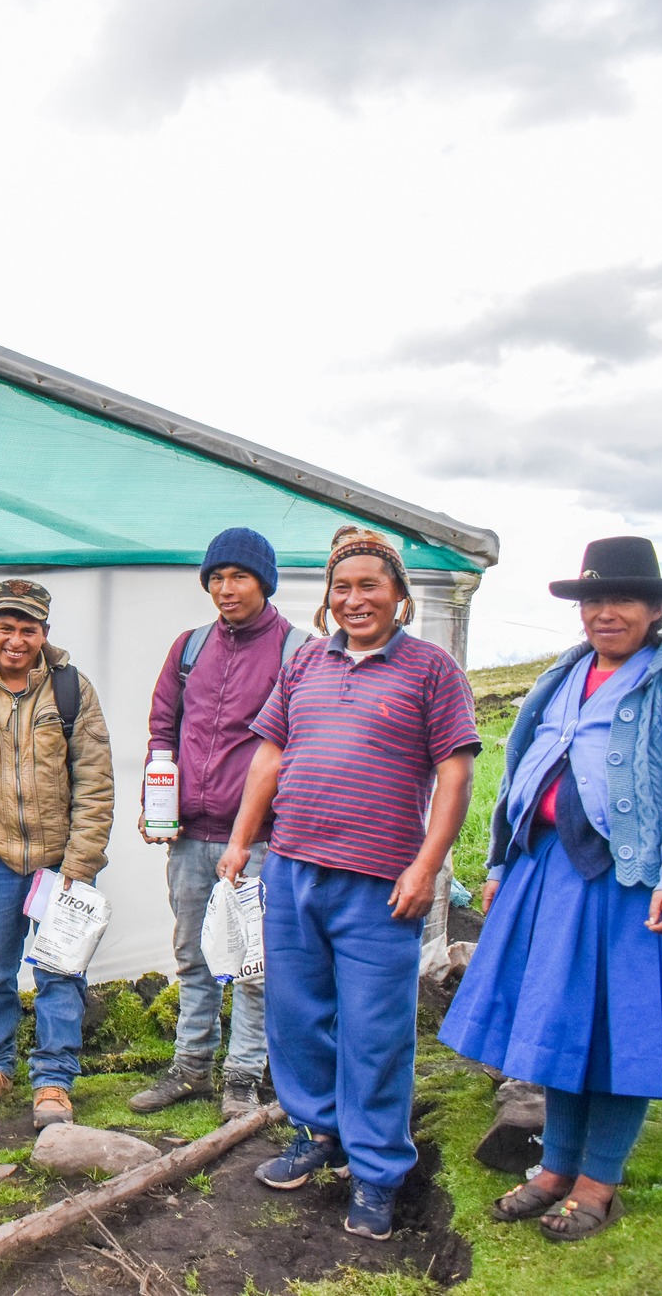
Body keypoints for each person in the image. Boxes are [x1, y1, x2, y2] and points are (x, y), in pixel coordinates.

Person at [442, 537, 662, 1242]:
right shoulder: (566, 676)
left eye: (622, 598)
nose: (605, 612)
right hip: (553, 874)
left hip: (638, 884)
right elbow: (523, 773)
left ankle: (598, 1183)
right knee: (562, 1027)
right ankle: (555, 1168)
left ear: (657, 608)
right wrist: (501, 864)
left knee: (625, 1036)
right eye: (593, 599)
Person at [218, 526, 478, 1242]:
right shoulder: (305, 662)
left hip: (380, 881)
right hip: (294, 866)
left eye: (370, 585)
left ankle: (377, 1170)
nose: (355, 598)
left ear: (399, 596)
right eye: (343, 587)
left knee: (374, 1032)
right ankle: (321, 1133)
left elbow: (456, 771)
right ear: (328, 601)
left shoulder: (431, 669)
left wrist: (427, 865)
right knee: (296, 1017)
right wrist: (242, 840)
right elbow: (270, 754)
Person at [131, 527, 306, 1120]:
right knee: (192, 955)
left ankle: (242, 1076)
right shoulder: (190, 647)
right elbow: (163, 728)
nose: (225, 589)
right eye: (216, 578)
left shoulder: (296, 652)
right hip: (188, 837)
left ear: (264, 582)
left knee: (253, 963)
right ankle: (190, 1068)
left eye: (239, 577)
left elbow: (298, 747)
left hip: (259, 841)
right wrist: (157, 800)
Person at [0, 578, 115, 1129]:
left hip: (63, 863)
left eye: (27, 629)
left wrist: (81, 864)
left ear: (44, 634)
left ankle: (53, 1081)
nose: (15, 639)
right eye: (5, 627)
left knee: (61, 971)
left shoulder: (70, 689)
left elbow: (95, 779)